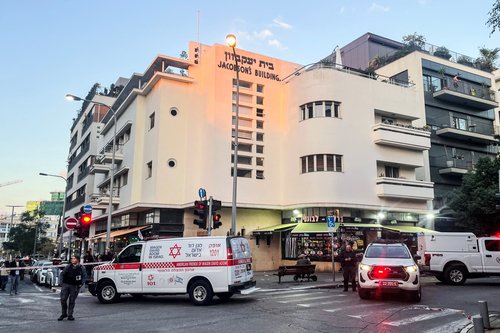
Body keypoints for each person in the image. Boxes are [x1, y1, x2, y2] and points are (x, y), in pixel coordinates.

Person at [58, 255, 87, 321]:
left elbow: (84, 276)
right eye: (72, 259)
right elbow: (62, 274)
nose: (72, 260)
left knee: (72, 300)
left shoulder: (81, 268)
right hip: (66, 284)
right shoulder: (68, 266)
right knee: (63, 299)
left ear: (77, 260)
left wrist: (81, 284)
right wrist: (61, 283)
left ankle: (70, 315)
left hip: (75, 286)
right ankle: (63, 313)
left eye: (74, 259)